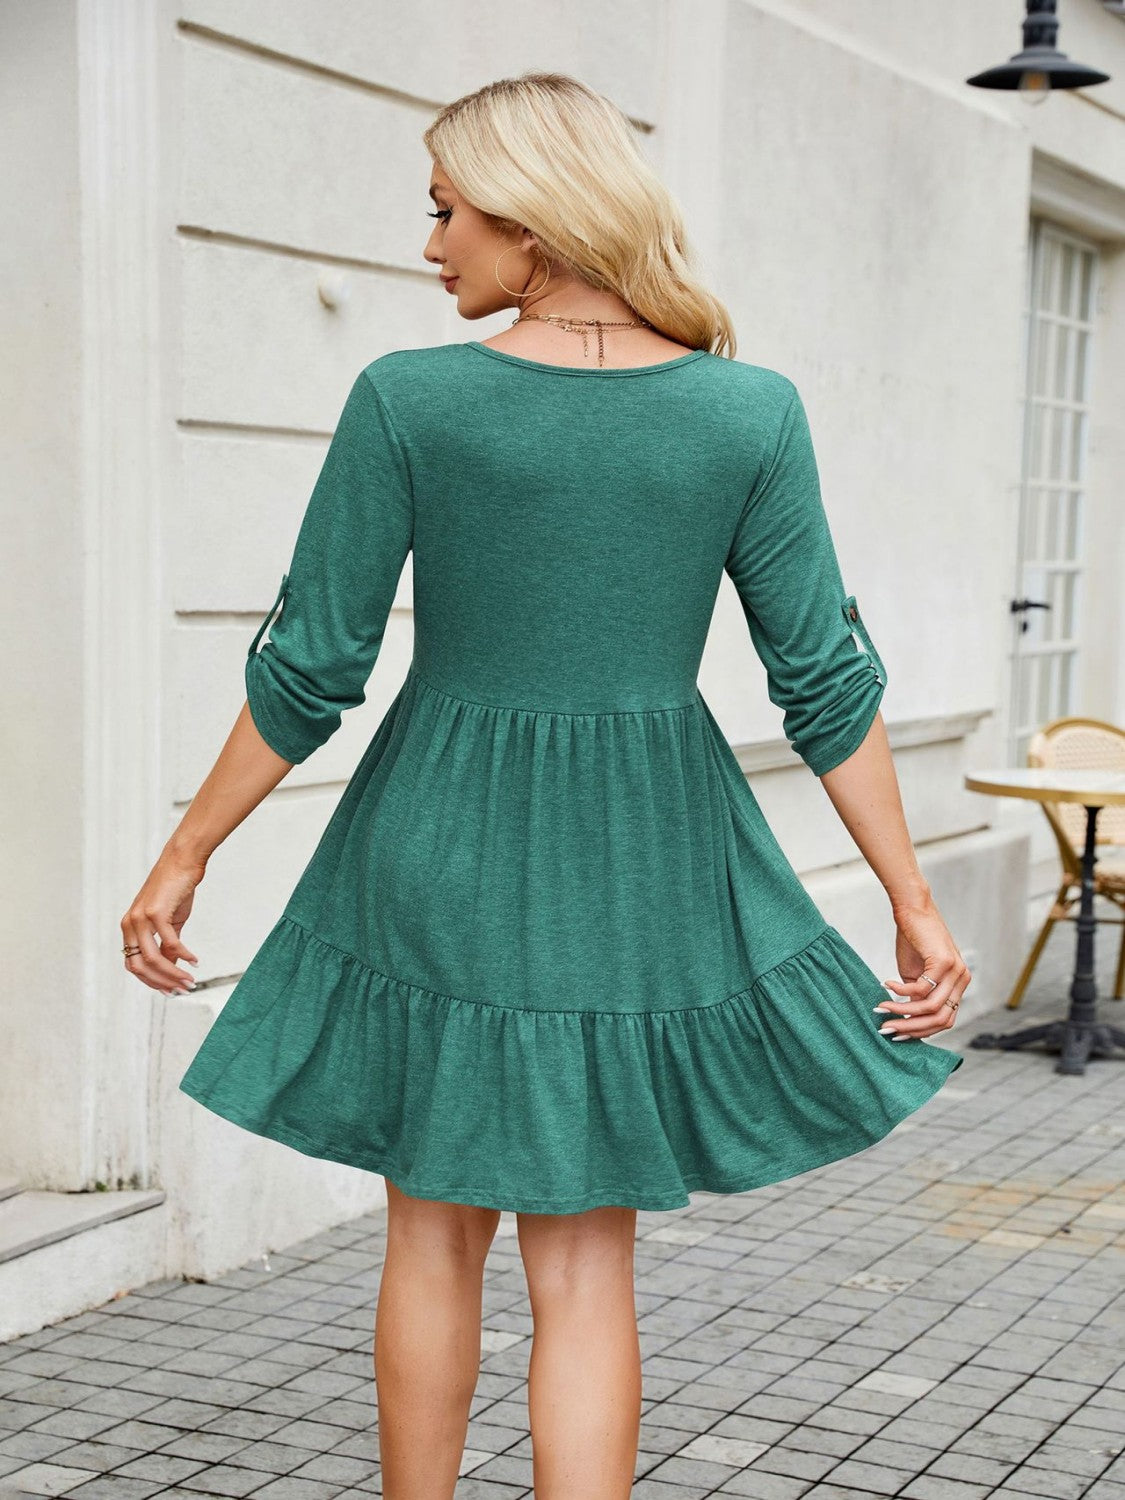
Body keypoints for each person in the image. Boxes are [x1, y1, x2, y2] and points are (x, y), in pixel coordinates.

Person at [122, 70, 970, 1500]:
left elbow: (312, 667)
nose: (430, 243)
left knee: (431, 1234)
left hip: (437, 843)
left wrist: (186, 851)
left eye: (446, 211)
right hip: (641, 858)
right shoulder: (747, 414)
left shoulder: (410, 399)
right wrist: (912, 900)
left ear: (529, 221)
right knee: (583, 1267)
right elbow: (823, 679)